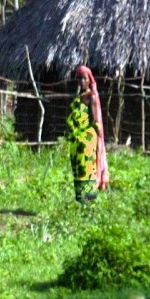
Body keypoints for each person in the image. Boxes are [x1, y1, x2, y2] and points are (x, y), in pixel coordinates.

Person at [66, 66, 109, 201]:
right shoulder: (80, 97)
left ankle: (89, 201)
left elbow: (96, 121)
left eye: (84, 78)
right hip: (77, 141)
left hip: (88, 140)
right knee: (79, 170)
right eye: (79, 78)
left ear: (89, 80)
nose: (81, 81)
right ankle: (80, 200)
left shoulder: (92, 96)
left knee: (88, 170)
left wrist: (94, 140)